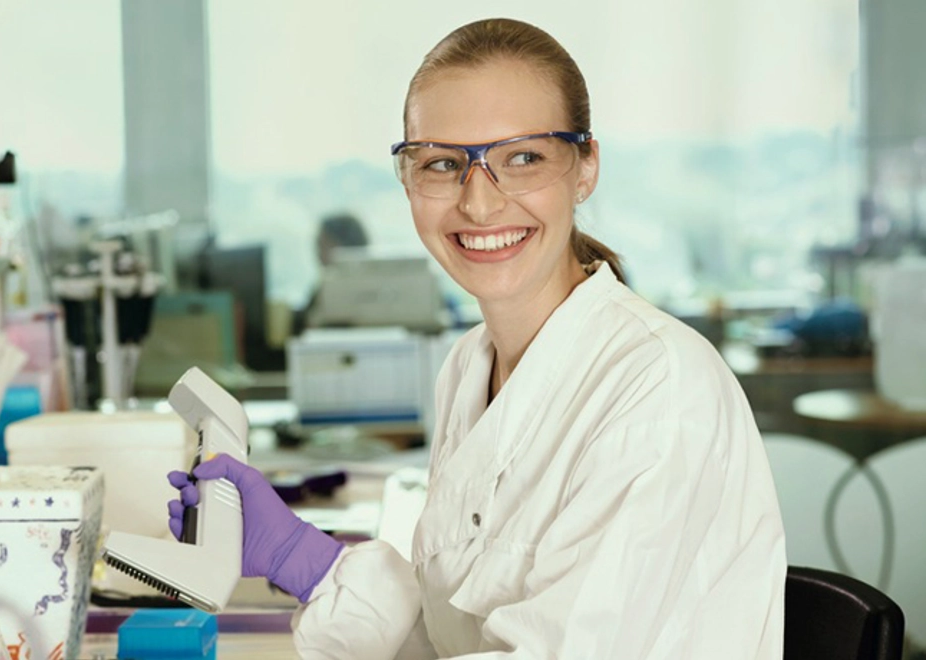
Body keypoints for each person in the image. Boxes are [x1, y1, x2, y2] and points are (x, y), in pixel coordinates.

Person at [168, 17, 785, 659]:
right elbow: (452, 637)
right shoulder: (470, 365)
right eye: (442, 163)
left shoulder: (657, 389)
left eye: (523, 158)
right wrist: (304, 559)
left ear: (586, 167)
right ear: (407, 180)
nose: (480, 205)